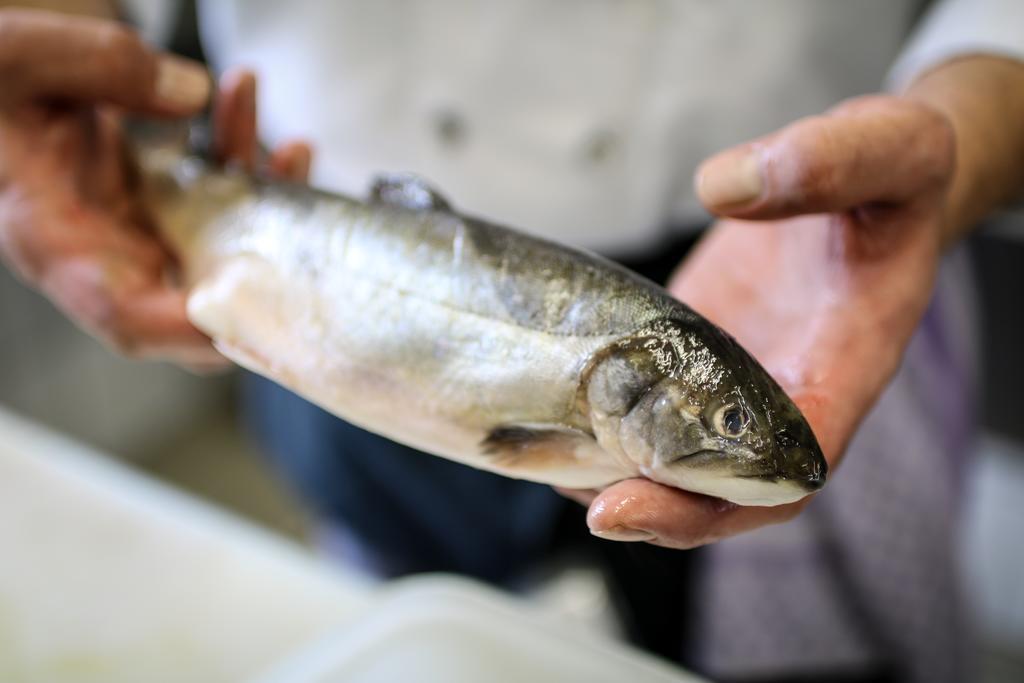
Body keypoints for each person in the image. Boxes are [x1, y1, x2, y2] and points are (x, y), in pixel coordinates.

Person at [1, 2, 1023, 680]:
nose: (724, 432)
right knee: (425, 647)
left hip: (810, 274)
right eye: (717, 418)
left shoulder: (769, 350)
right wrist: (71, 62)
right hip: (311, 259)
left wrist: (965, 131)